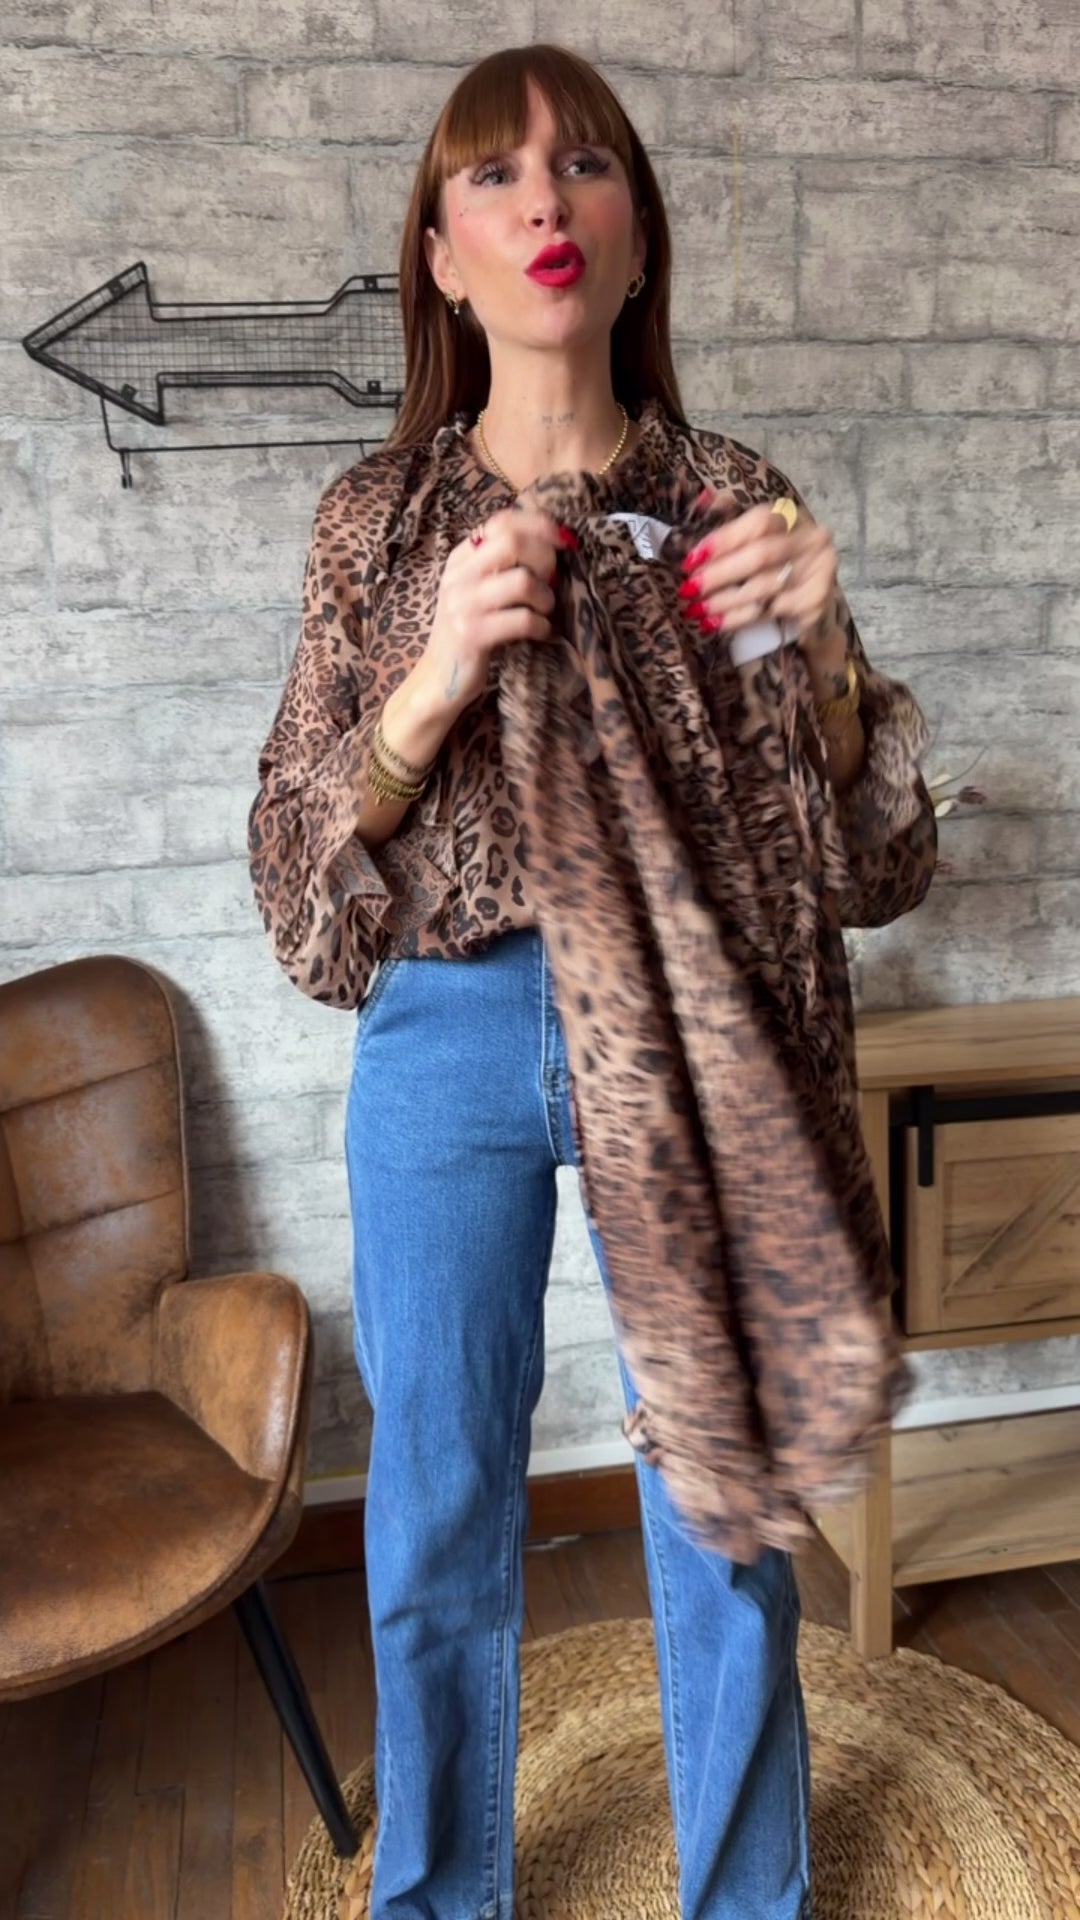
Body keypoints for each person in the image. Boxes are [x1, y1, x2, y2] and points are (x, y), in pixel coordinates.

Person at [249, 42, 934, 1920]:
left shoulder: (735, 504)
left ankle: (749, 1898)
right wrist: (430, 685)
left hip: (694, 1037)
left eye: (587, 166)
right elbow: (300, 895)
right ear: (440, 255)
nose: (544, 199)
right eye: (494, 174)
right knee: (435, 1503)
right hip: (448, 1031)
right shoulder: (377, 524)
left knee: (723, 1492)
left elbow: (874, 871)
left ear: (637, 244)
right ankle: (439, 1897)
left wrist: (835, 657)